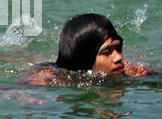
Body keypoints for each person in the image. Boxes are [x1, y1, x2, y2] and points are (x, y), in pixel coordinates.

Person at [19, 13, 148, 85]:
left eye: (118, 48)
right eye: (107, 52)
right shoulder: (56, 78)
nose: (119, 57)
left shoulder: (128, 70)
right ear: (86, 58)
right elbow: (10, 90)